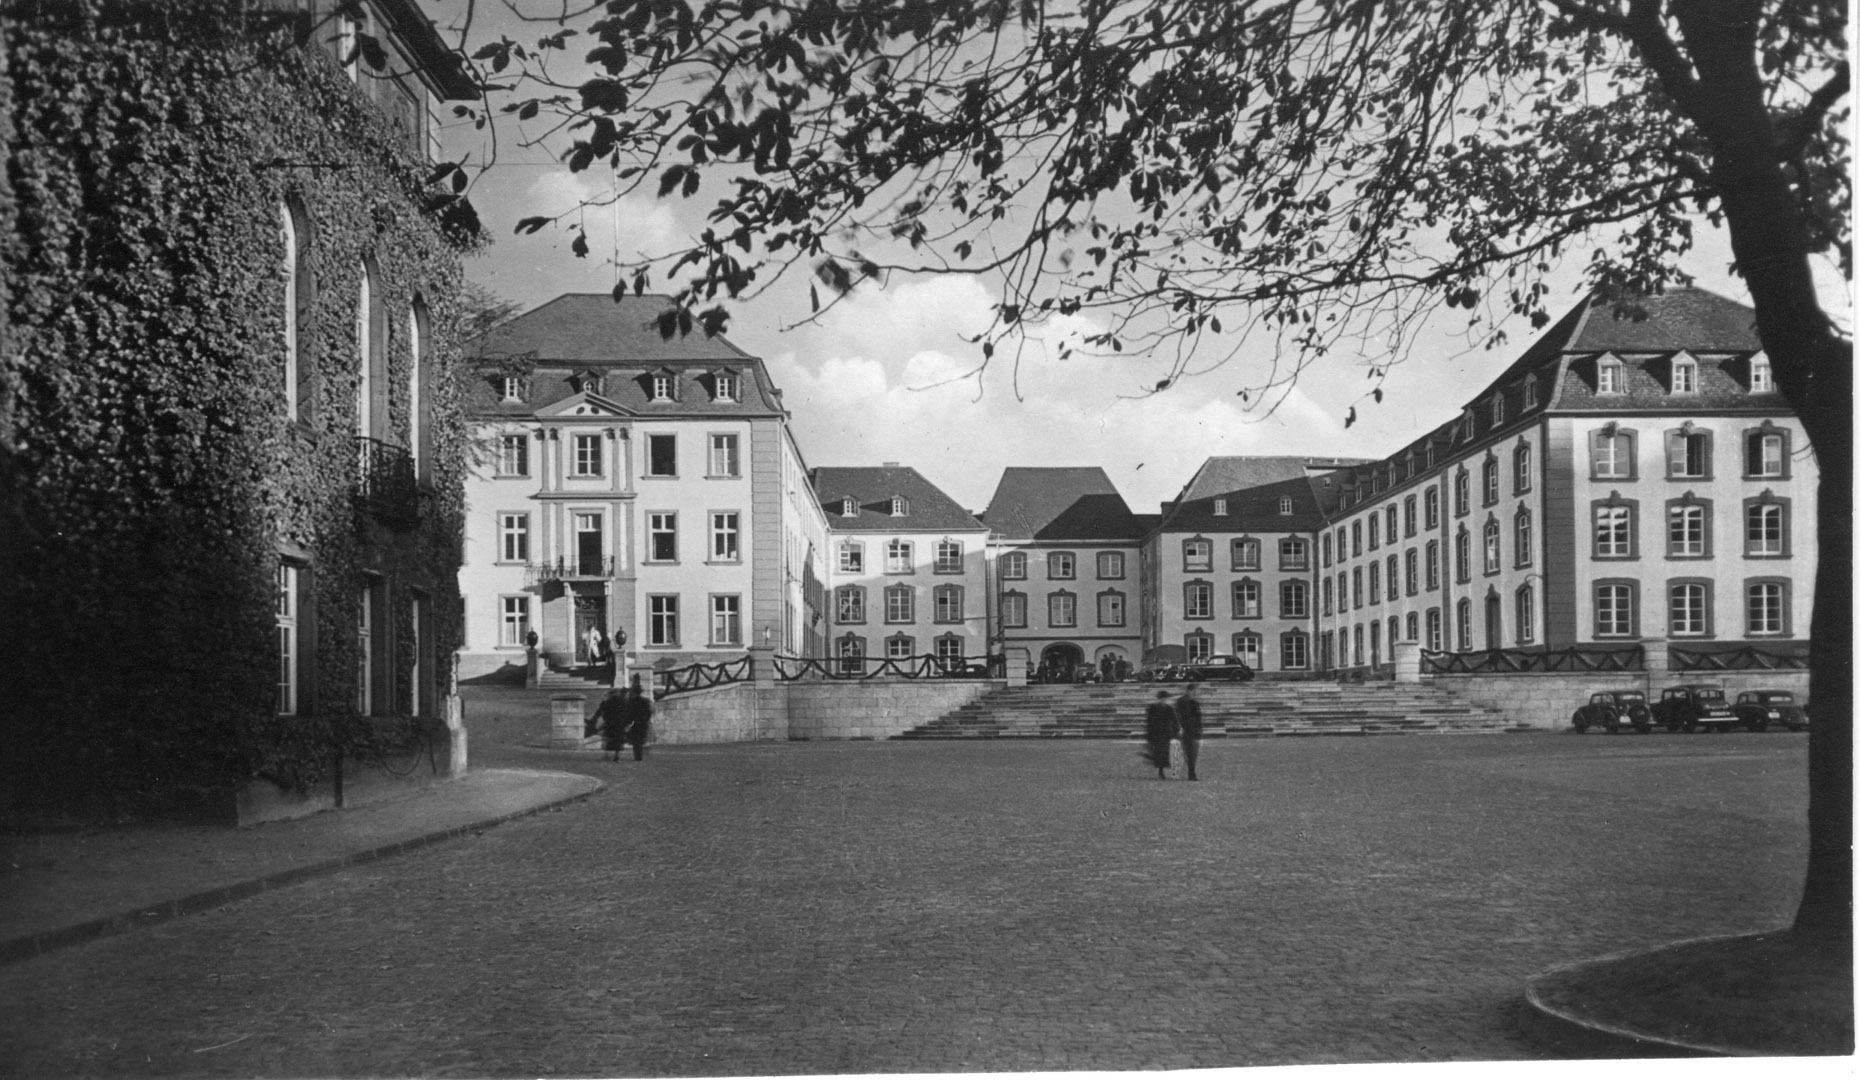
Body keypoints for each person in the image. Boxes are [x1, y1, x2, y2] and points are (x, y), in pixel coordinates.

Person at [1143, 690, 1178, 780]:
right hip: (1157, 733)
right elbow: (1150, 721)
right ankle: (1160, 770)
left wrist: (1175, 732)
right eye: (1163, 698)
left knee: (1164, 752)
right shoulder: (1153, 708)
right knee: (1158, 752)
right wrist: (1149, 734)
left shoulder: (1169, 708)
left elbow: (1174, 721)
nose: (1164, 700)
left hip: (1166, 734)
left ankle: (1161, 770)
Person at [591, 683, 629, 763]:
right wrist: (626, 723)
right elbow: (626, 713)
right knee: (618, 740)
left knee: (609, 738)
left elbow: (602, 711)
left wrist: (605, 719)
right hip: (619, 723)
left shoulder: (608, 701)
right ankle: (616, 756)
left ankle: (608, 755)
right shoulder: (623, 701)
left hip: (610, 723)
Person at [1176, 682, 1204, 781]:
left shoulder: (1194, 703)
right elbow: (1179, 715)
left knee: (1193, 753)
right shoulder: (1181, 701)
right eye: (1192, 691)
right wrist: (1180, 727)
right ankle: (1191, 773)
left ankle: (1191, 772)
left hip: (1193, 730)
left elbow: (1198, 717)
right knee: (1189, 752)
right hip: (1186, 730)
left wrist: (1199, 730)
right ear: (1188, 691)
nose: (1194, 693)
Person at [622, 674, 654, 762]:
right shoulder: (645, 701)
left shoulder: (632, 701)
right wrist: (645, 720)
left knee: (636, 741)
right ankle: (639, 756)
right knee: (640, 740)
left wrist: (629, 722)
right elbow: (648, 712)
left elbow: (629, 712)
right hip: (642, 723)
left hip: (635, 723)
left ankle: (637, 756)